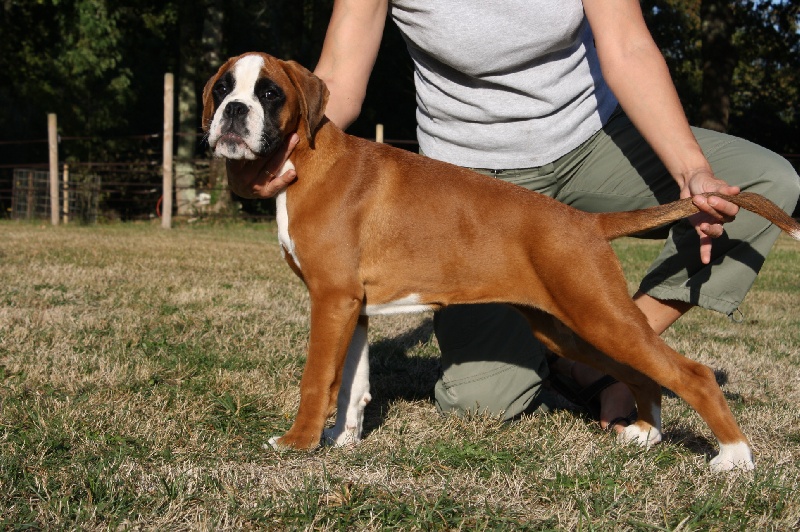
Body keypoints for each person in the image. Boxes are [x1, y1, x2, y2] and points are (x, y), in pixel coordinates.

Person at [227, 0, 800, 433]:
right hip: (468, 177)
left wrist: (691, 168)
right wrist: (270, 150)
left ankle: (617, 354)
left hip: (593, 138)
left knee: (766, 179)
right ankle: (585, 352)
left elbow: (627, 47)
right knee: (480, 402)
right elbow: (336, 82)